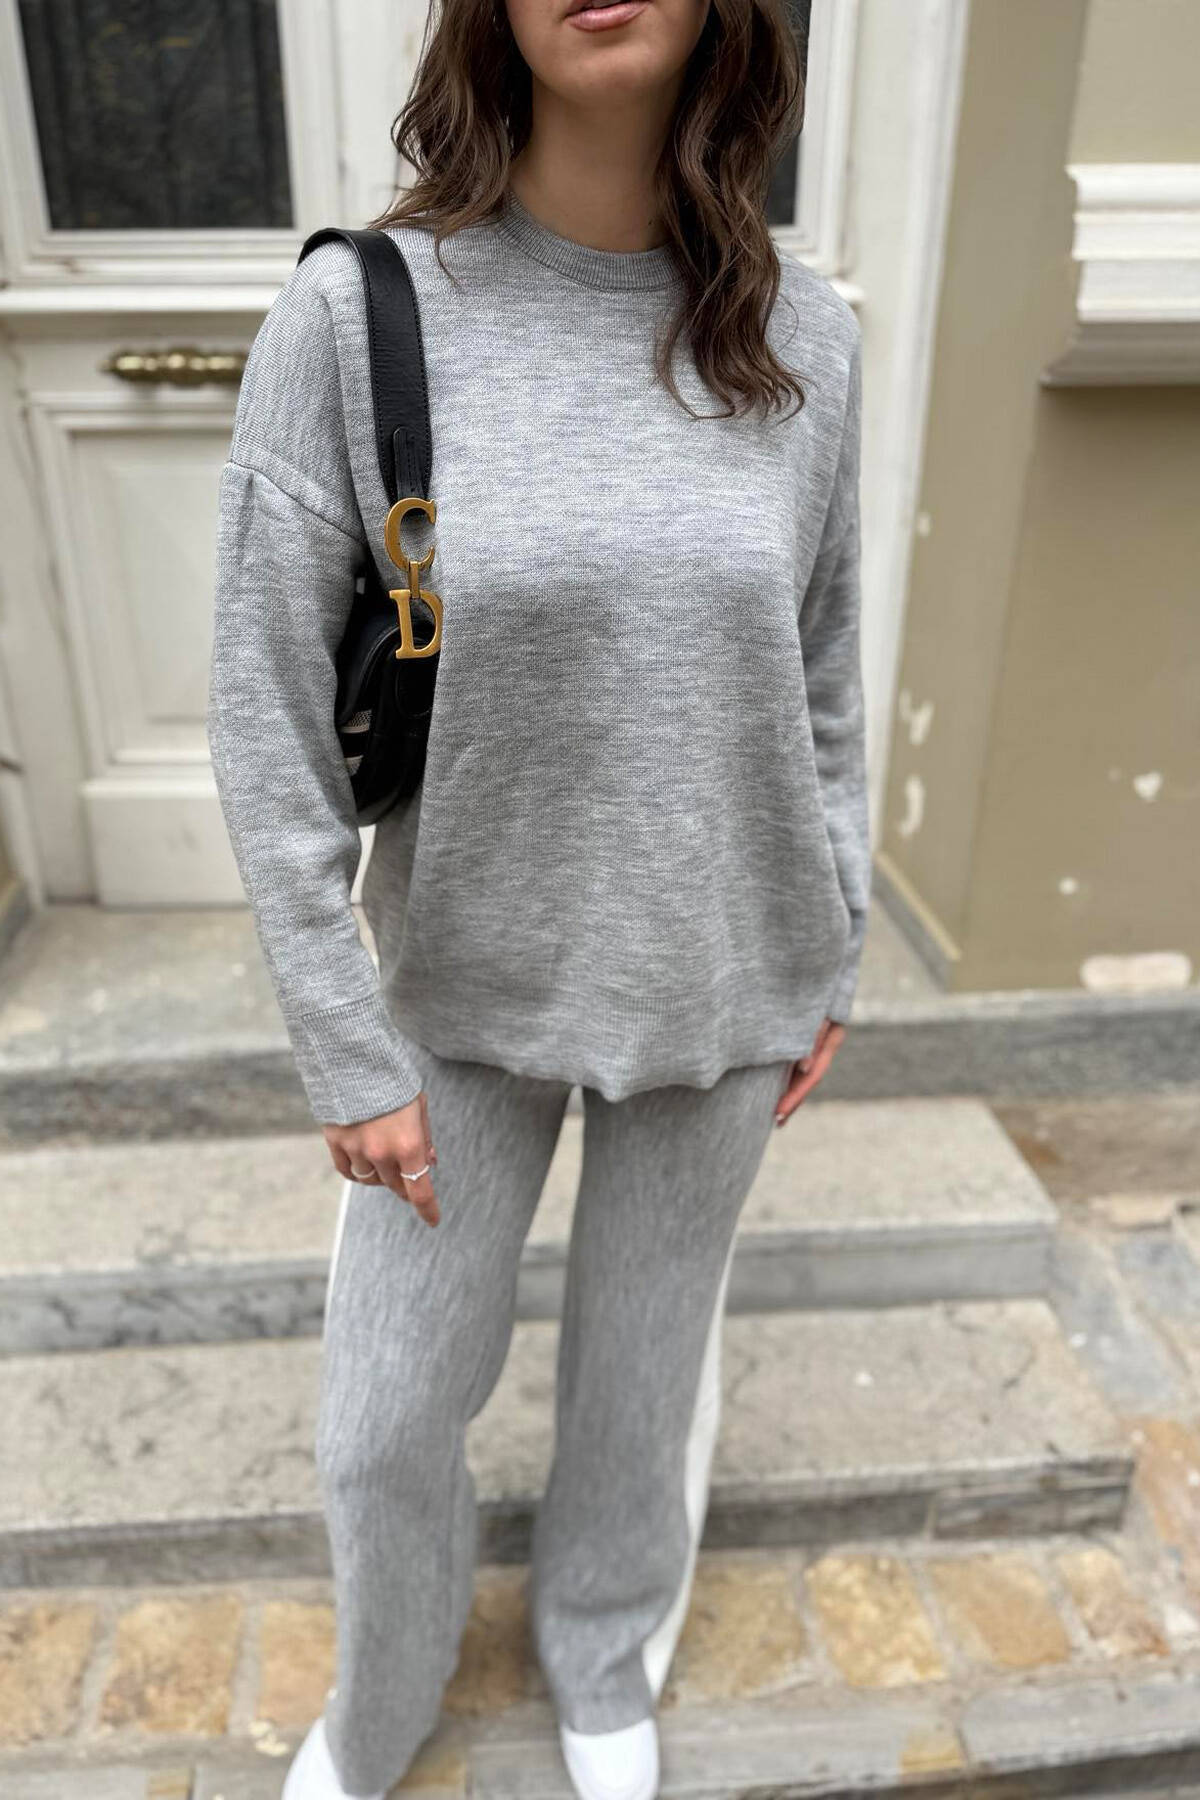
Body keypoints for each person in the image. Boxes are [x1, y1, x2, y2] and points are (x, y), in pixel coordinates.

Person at [206, 0, 869, 1789]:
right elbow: (266, 717)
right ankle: (384, 1698)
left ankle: (601, 1651)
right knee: (383, 1420)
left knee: (642, 1382)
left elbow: (821, 669)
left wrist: (836, 943)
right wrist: (340, 1040)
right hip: (462, 985)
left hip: (727, 971)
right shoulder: (358, 319)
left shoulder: (806, 337)